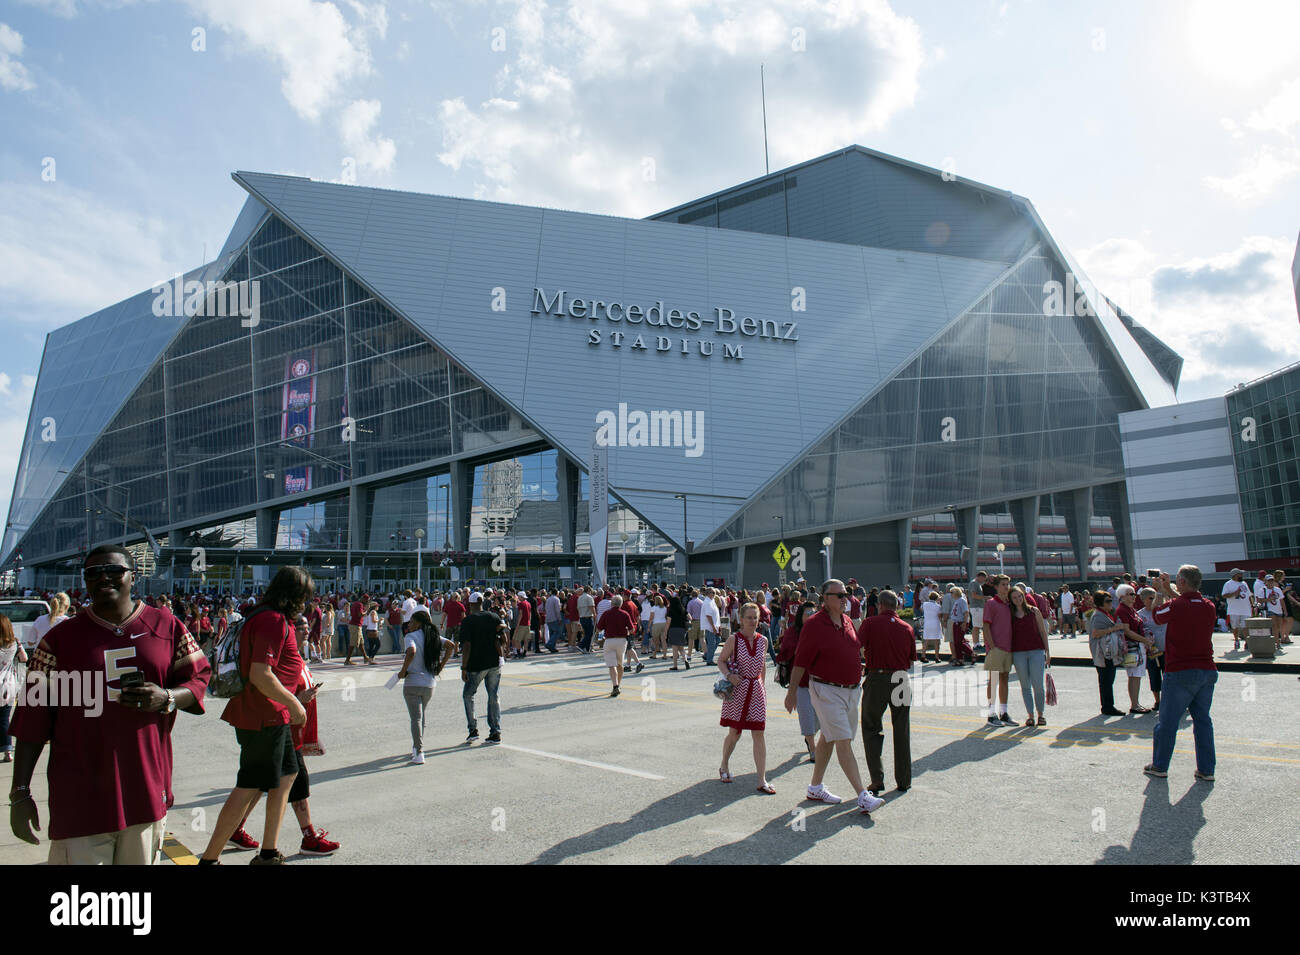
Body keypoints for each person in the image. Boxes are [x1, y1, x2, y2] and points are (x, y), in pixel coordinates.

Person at [10, 546, 211, 865]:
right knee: (87, 910)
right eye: (93, 572)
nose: (104, 576)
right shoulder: (60, 640)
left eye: (114, 570)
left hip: (144, 792)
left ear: (134, 576)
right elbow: (31, 721)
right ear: (85, 582)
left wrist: (167, 698)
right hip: (79, 799)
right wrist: (20, 791)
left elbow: (199, 678)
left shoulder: (166, 626)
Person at [199, 566, 314, 865]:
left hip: (267, 714)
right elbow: (261, 674)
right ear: (295, 595)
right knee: (248, 785)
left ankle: (268, 852)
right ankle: (209, 860)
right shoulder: (273, 621)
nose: (306, 602)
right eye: (304, 595)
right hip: (265, 715)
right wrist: (294, 703)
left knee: (287, 775)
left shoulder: (261, 615)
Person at [226, 614, 338, 857]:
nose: (305, 631)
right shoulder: (278, 660)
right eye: (300, 627)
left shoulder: (297, 657)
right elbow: (270, 697)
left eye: (307, 626)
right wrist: (298, 700)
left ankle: (236, 830)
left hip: (292, 731)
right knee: (293, 784)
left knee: (259, 784)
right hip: (280, 731)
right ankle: (307, 839)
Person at [782, 579, 885, 815]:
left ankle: (815, 787)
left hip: (850, 690)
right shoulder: (814, 625)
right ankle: (862, 795)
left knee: (828, 737)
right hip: (826, 690)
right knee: (843, 740)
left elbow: (855, 649)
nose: (844, 598)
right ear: (825, 598)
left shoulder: (847, 621)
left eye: (846, 594)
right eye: (839, 595)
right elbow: (801, 661)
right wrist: (792, 693)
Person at [1145, 565, 1218, 781]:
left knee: (1167, 722)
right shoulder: (1208, 605)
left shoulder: (1176, 605)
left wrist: (1159, 591)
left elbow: (1157, 616)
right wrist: (1170, 590)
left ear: (1183, 582)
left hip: (1180, 670)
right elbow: (1188, 602)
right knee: (1202, 720)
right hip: (1206, 669)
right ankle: (1206, 769)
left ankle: (1160, 765)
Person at [857, 590, 915, 795]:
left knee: (871, 727)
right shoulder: (907, 627)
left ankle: (876, 778)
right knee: (902, 729)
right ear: (896, 606)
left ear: (880, 605)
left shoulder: (870, 624)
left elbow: (857, 646)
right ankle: (904, 779)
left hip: (878, 676)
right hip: (901, 677)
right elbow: (911, 658)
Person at [717, 603, 772, 793]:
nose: (752, 621)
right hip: (738, 690)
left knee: (759, 733)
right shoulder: (734, 639)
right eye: (749, 617)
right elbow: (721, 660)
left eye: (755, 617)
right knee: (735, 733)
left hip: (756, 690)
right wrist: (729, 676)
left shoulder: (763, 640)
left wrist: (763, 688)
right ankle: (724, 765)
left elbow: (762, 665)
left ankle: (761, 780)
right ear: (741, 619)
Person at [398, 610, 454, 764]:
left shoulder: (410, 637)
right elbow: (451, 645)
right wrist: (440, 666)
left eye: (411, 622)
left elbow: (411, 651)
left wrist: (403, 671)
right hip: (429, 683)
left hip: (413, 682)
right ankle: (417, 747)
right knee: (421, 716)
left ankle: (418, 750)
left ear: (419, 623)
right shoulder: (433, 636)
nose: (409, 625)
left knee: (415, 717)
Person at [460, 593, 506, 743]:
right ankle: (495, 731)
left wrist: (464, 667)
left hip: (476, 663)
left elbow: (467, 645)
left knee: (468, 695)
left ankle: (473, 730)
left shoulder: (468, 621)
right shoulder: (493, 617)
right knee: (493, 695)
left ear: (471, 604)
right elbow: (503, 638)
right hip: (493, 662)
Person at [1008, 585, 1051, 727]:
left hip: (1036, 651)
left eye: (1019, 596)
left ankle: (1041, 714)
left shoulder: (1034, 611)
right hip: (1018, 652)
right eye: (1014, 597)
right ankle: (1030, 716)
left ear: (1023, 596)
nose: (1018, 599)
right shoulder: (1010, 614)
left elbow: (1042, 632)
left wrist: (1048, 651)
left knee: (1038, 685)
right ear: (1011, 599)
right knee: (1025, 685)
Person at [980, 575, 1017, 727]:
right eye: (1003, 584)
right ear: (996, 586)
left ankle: (1003, 712)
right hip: (996, 648)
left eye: (1007, 584)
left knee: (1004, 680)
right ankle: (991, 713)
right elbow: (986, 626)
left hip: (1008, 647)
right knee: (993, 680)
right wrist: (992, 647)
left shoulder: (1010, 604)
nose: (1006, 587)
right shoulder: (991, 603)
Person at [1115, 584, 1157, 714]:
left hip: (1138, 646)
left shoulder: (1131, 609)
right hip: (1131, 647)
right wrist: (1144, 640)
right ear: (1122, 596)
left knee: (1137, 675)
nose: (1134, 597)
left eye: (1134, 594)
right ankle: (1134, 704)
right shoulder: (1122, 610)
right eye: (1130, 594)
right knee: (1133, 675)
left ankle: (1136, 703)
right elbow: (1126, 631)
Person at [1087, 591, 1128, 717]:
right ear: (1100, 603)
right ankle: (1108, 706)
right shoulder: (1099, 616)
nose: (1110, 603)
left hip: (1107, 651)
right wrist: (1114, 628)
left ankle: (1107, 705)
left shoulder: (1105, 614)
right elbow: (1096, 633)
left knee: (1107, 680)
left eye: (1111, 600)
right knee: (1106, 680)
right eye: (1107, 601)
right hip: (1103, 653)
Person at [0, 615, 28, 762]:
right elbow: (24, 658)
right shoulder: (14, 643)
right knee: (4, 719)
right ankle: (8, 751)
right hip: (8, 685)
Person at [598, 595, 637, 697]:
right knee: (620, 664)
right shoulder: (624, 614)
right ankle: (618, 684)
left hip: (609, 640)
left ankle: (615, 685)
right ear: (620, 604)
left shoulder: (606, 614)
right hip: (621, 640)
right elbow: (632, 629)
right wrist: (627, 631)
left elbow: (599, 628)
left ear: (611, 603)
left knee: (612, 665)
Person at [1137, 586, 1166, 711]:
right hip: (1151, 650)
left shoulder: (1162, 610)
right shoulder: (1140, 614)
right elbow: (1140, 630)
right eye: (1150, 598)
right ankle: (1157, 700)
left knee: (1169, 674)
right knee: (1154, 675)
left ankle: (1169, 699)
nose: (1153, 600)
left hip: (1166, 648)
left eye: (1155, 597)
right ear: (1143, 600)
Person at [949, 586, 975, 665]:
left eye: (952, 592)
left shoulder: (962, 600)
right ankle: (960, 659)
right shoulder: (957, 601)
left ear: (956, 592)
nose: (951, 594)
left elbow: (966, 612)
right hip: (956, 622)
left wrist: (964, 622)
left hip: (961, 622)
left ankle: (972, 653)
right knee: (956, 642)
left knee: (959, 641)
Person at [666, 592, 690, 669]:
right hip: (682, 629)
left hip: (673, 629)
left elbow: (668, 622)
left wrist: (665, 632)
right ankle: (685, 660)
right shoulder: (683, 610)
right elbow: (690, 617)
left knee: (674, 648)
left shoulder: (671, 611)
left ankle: (675, 665)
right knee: (681, 647)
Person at [920, 591, 942, 664]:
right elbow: (939, 615)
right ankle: (936, 657)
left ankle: (923, 656)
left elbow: (921, 609)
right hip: (935, 623)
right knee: (936, 641)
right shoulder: (938, 606)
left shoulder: (925, 604)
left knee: (926, 640)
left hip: (927, 623)